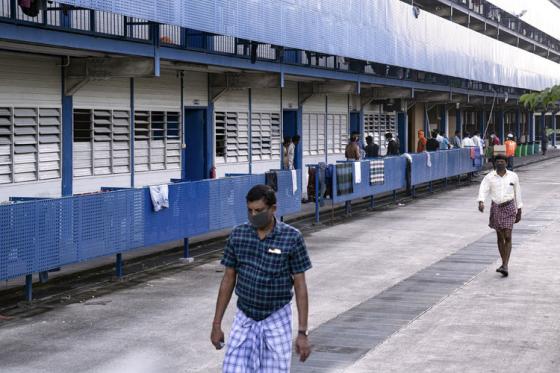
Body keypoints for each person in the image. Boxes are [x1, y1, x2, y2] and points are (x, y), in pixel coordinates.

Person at [211, 185, 312, 371]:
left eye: (259, 210)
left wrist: (302, 332)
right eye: (249, 210)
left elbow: (300, 285)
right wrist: (216, 324)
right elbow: (228, 278)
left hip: (276, 317)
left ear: (273, 209)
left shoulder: (292, 238)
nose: (253, 215)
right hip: (245, 317)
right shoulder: (238, 235)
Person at [477, 154, 523, 277]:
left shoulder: (513, 176)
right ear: (494, 164)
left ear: (506, 163)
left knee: (507, 236)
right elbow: (483, 189)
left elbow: (517, 192)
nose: (500, 163)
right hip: (496, 207)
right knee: (500, 236)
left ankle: (505, 265)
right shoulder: (489, 177)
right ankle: (503, 263)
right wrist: (481, 201)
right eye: (498, 162)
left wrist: (519, 209)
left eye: (503, 161)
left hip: (509, 207)